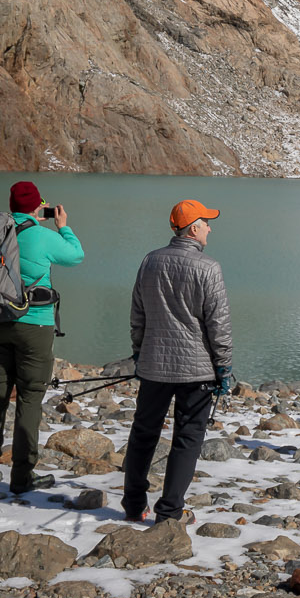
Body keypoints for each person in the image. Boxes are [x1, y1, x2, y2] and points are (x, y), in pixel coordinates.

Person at [120, 199, 234, 524]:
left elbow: (137, 315)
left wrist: (139, 351)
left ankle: (133, 506)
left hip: (154, 366)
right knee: (187, 436)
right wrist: (224, 367)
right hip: (196, 371)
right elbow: (219, 326)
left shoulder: (150, 261)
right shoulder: (209, 268)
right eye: (207, 222)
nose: (210, 228)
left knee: (144, 432)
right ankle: (169, 513)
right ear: (193, 228)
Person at [0, 179, 84, 495]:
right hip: (34, 325)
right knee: (29, 398)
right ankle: (22, 476)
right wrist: (63, 227)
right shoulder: (42, 235)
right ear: (38, 207)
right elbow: (76, 255)